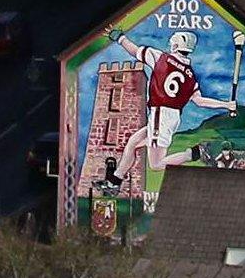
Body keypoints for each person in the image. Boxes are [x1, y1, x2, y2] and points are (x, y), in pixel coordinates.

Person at [94, 27, 235, 196]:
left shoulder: (161, 58)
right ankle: (115, 182)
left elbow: (134, 50)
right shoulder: (191, 77)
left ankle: (193, 153)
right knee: (132, 142)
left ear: (176, 46)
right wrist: (226, 105)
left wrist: (120, 38)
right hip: (171, 117)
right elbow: (199, 101)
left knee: (156, 164)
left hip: (161, 114)